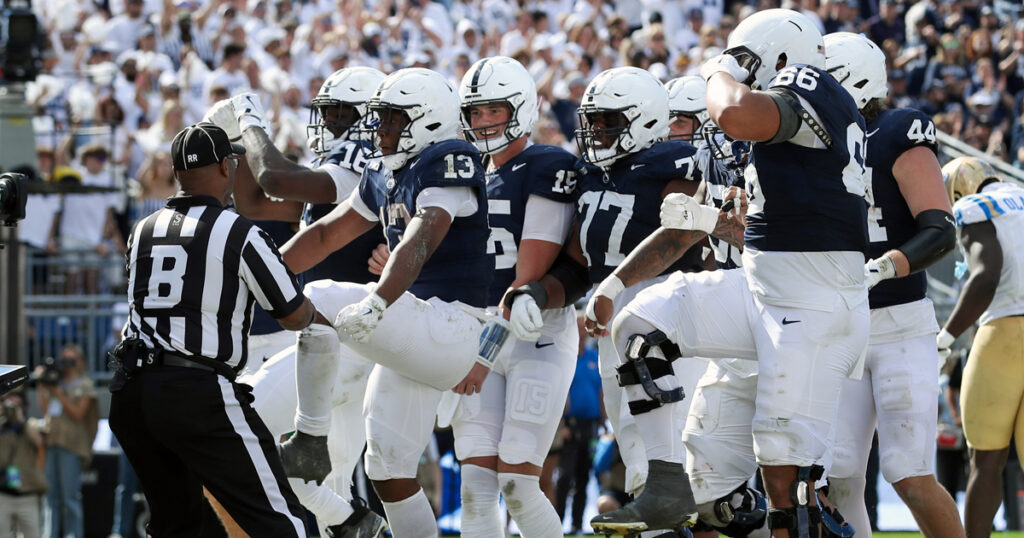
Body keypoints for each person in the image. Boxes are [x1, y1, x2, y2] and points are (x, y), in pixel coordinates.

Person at [569, 9, 870, 537]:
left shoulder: (810, 83)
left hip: (812, 299)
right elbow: (723, 224)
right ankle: (666, 485)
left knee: (788, 486)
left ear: (780, 57)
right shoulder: (782, 148)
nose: (738, 73)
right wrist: (617, 284)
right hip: (763, 284)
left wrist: (717, 69)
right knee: (643, 325)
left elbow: (735, 112)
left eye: (748, 62)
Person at [276, 67, 494, 538]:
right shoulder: (382, 171)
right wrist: (264, 271)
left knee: (318, 297)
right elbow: (327, 233)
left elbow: (424, 232)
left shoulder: (449, 157)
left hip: (453, 324)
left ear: (429, 121)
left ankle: (310, 437)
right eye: (381, 119)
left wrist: (378, 300)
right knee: (387, 469)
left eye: (393, 120)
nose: (382, 130)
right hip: (414, 328)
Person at [503, 65, 706, 535]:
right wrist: (536, 291)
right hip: (612, 323)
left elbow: (678, 233)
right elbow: (577, 265)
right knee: (639, 460)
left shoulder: (674, 160)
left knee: (684, 465)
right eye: (592, 122)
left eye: (609, 121)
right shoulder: (594, 177)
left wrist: (615, 285)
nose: (596, 132)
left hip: (671, 317)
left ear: (646, 120)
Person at [108, 122, 319, 537]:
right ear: (227, 166)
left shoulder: (141, 230)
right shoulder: (239, 231)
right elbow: (292, 313)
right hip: (195, 389)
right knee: (282, 521)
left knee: (179, 525)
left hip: (131, 392)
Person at [204, 66, 388, 537]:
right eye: (327, 113)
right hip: (332, 343)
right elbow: (256, 202)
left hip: (345, 338)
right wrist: (236, 144)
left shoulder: (368, 162)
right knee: (330, 478)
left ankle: (354, 522)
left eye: (343, 113)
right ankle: (357, 524)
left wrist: (249, 119)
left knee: (236, 429)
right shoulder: (343, 173)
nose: (330, 124)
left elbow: (274, 182)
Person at [821, 32, 963, 538]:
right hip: (840, 326)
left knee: (908, 473)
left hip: (899, 323)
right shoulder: (816, 147)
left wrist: (887, 265)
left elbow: (940, 229)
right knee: (837, 478)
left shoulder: (896, 130)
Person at [447, 56, 579, 537]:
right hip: (479, 330)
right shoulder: (466, 174)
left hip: (532, 332)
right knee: (475, 489)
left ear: (521, 109)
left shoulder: (547, 165)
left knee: (520, 486)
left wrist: (481, 357)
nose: (483, 122)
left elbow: (529, 278)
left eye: (494, 111)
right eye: (475, 112)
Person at [937, 156, 1024, 538]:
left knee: (986, 459)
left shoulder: (972, 206)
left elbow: (986, 275)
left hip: (1005, 333)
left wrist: (946, 336)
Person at [38, 344, 98, 538]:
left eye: (72, 360)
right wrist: (42, 386)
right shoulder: (55, 381)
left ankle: (74, 535)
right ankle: (50, 534)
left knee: (70, 497)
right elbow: (46, 411)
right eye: (65, 360)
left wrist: (59, 394)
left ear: (80, 362)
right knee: (51, 497)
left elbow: (78, 415)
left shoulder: (85, 384)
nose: (68, 365)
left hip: (71, 446)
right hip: (52, 442)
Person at [555, 317, 602, 535]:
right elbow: (558, 394)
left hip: (591, 425)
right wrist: (561, 424)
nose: (582, 332)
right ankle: (558, 523)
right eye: (578, 327)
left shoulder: (594, 358)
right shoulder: (565, 358)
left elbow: (600, 392)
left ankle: (576, 524)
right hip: (570, 425)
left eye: (584, 328)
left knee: (584, 475)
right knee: (565, 476)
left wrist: (603, 421)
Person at [0, 389, 47, 538]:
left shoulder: (30, 425)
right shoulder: (2, 428)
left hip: (27, 494)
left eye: (17, 405)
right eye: (9, 406)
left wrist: (20, 421)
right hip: (3, 494)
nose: (12, 410)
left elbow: (39, 442)